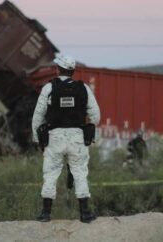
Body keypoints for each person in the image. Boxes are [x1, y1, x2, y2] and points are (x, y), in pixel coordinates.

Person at [32, 54, 100, 223]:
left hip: (54, 138)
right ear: (73, 71)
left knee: (51, 173)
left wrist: (37, 139)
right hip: (77, 138)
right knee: (80, 173)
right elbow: (96, 115)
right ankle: (84, 214)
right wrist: (89, 127)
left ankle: (46, 214)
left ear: (58, 69)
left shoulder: (49, 88)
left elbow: (38, 116)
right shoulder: (83, 88)